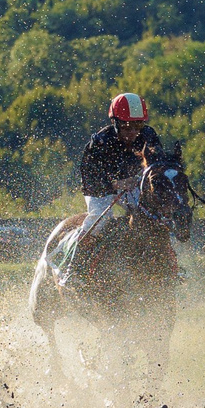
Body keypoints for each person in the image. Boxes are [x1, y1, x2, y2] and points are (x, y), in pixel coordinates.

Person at [61, 93, 162, 276]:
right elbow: (90, 180)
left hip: (134, 187)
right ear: (115, 123)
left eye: (138, 126)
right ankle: (73, 269)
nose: (133, 133)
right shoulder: (100, 142)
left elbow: (157, 164)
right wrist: (116, 184)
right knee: (100, 219)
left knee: (155, 216)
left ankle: (169, 266)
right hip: (100, 190)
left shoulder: (149, 136)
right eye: (126, 127)